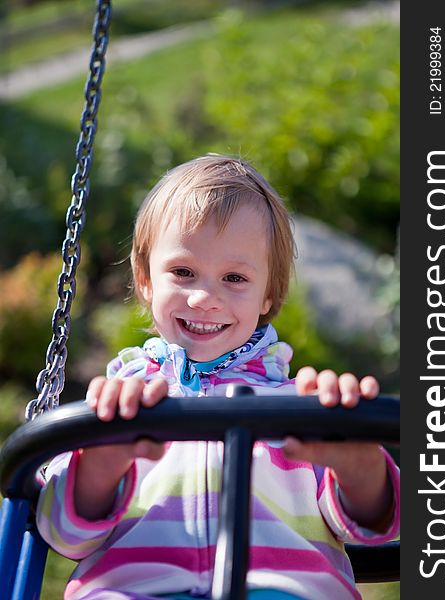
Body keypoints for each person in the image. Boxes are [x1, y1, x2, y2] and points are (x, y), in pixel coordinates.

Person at [36, 155, 399, 600]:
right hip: (138, 590)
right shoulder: (116, 407)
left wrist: (356, 462)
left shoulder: (300, 408)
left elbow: (373, 527)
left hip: (282, 591)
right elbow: (64, 535)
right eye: (183, 272)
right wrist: (101, 464)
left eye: (234, 278)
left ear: (270, 293)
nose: (205, 298)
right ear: (145, 279)